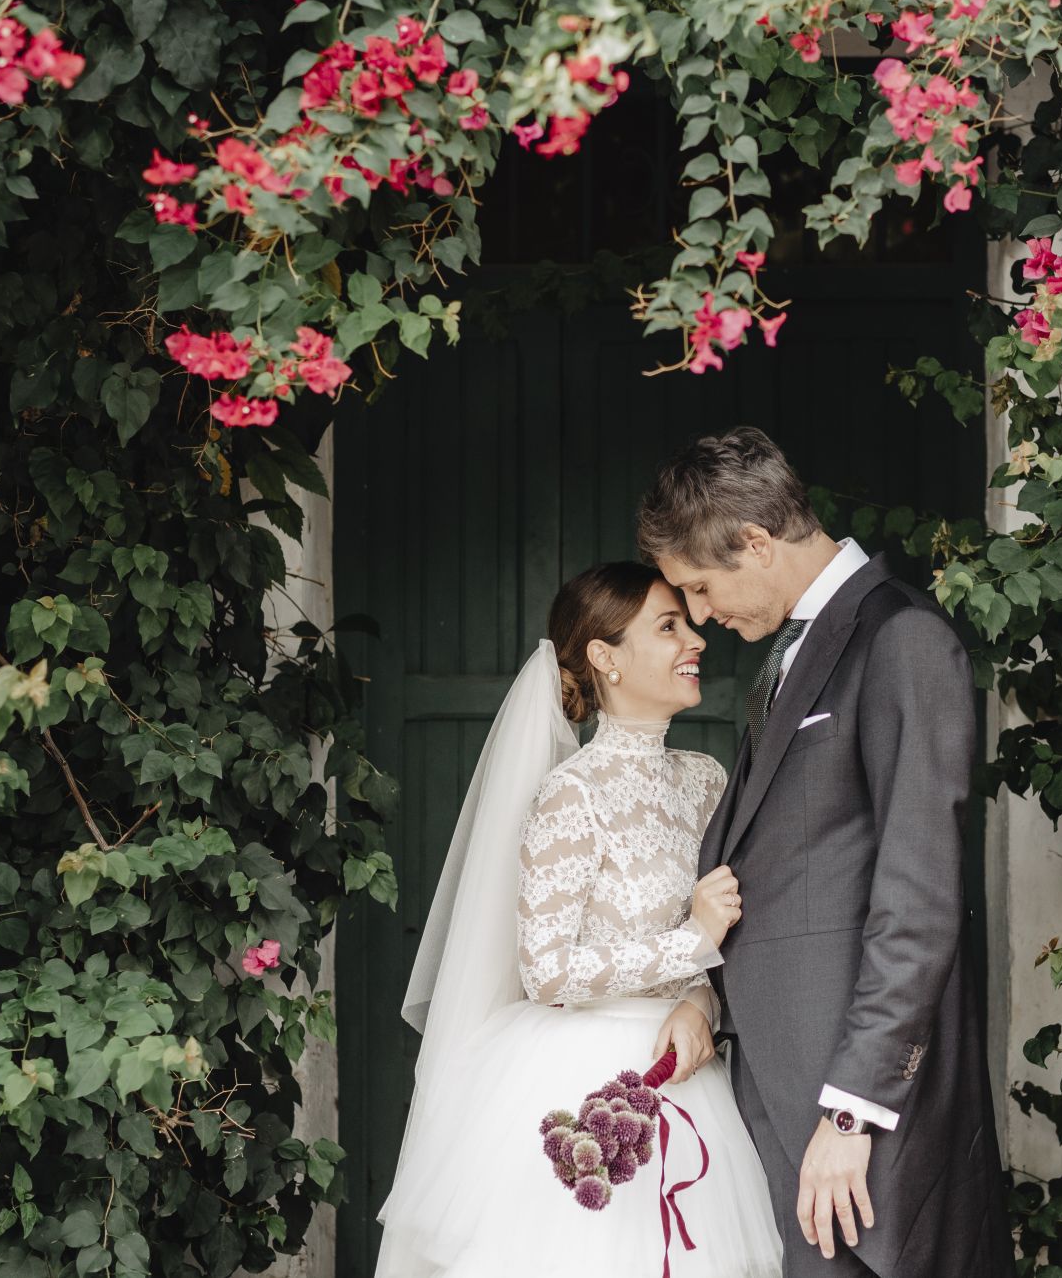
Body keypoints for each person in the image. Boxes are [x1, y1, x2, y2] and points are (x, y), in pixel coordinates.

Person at [638, 427, 1005, 1278]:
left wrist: (853, 1113)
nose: (700, 616)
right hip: (778, 1081)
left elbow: (918, 896)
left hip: (857, 1112)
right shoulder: (798, 650)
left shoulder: (901, 637)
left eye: (700, 587)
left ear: (756, 542)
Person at [376, 561, 784, 1278]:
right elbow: (547, 970)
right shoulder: (571, 796)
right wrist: (689, 942)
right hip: (578, 1075)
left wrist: (700, 998)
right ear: (604, 656)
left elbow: (729, 942)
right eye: (668, 627)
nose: (696, 640)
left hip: (685, 1070)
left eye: (687, 623)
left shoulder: (706, 780)